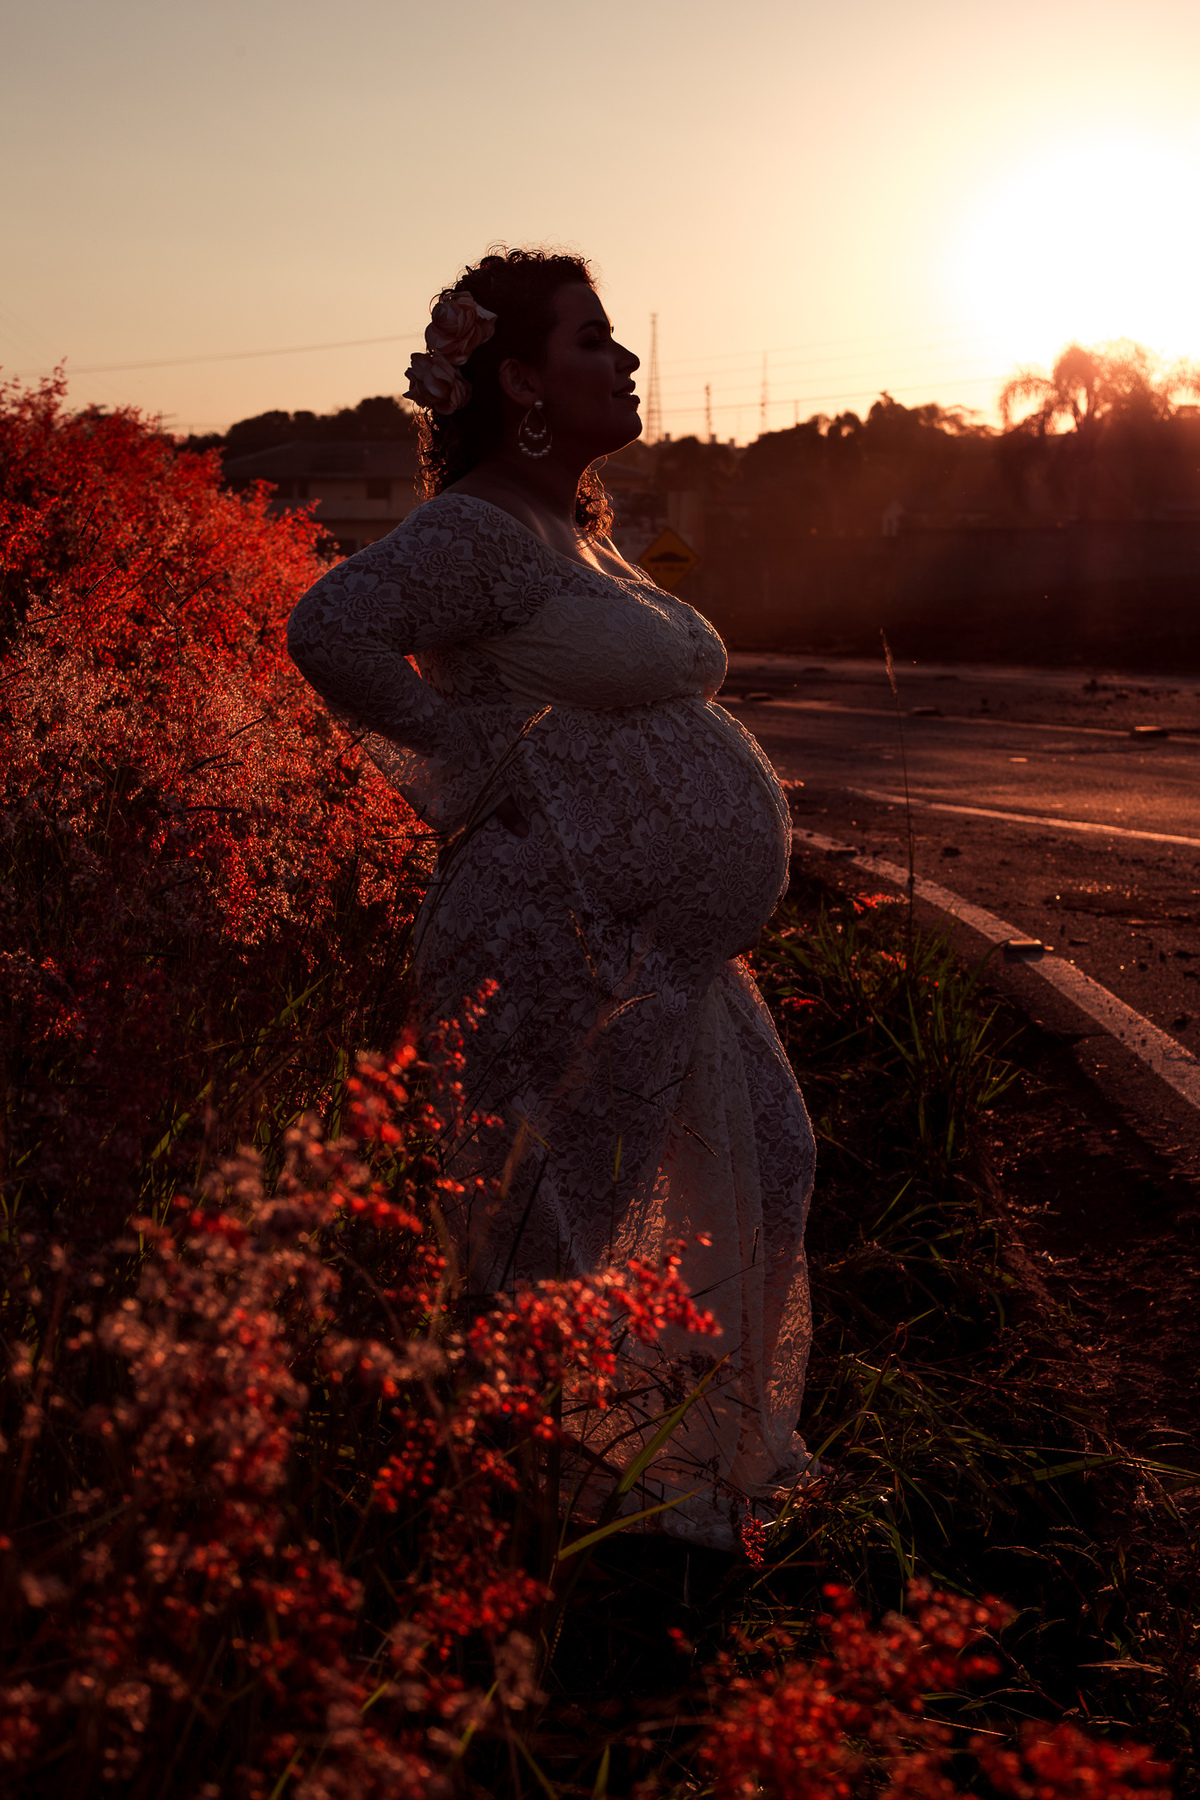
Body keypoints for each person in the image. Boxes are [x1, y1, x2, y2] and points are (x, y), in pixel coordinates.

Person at [286, 247, 816, 1549]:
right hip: (558, 934)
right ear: (521, 380)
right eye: (595, 341)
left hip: (660, 954)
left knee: (767, 1167)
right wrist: (474, 772)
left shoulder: (575, 529)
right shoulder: (470, 524)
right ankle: (546, 1534)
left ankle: (672, 1474)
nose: (626, 360)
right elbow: (332, 628)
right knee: (557, 1238)